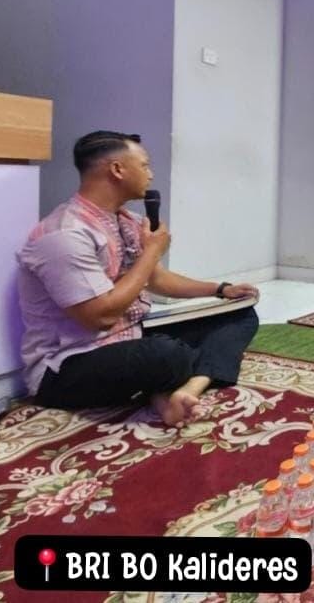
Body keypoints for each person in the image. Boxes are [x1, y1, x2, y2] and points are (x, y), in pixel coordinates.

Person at [17, 131, 259, 427]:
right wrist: (152, 251)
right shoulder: (64, 234)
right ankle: (172, 382)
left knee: (239, 316)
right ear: (118, 169)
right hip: (67, 365)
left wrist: (221, 290)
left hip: (131, 336)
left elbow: (156, 280)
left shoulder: (125, 219)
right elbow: (101, 317)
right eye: (144, 165)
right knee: (166, 356)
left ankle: (187, 388)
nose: (151, 174)